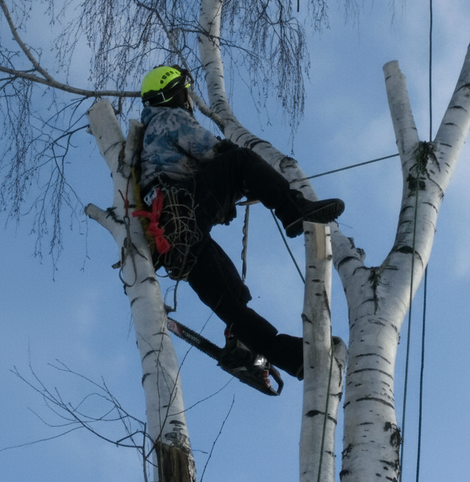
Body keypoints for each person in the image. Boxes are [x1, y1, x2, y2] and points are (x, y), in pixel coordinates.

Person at [137, 65, 344, 379]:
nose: (188, 99)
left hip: (175, 235)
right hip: (183, 209)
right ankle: (293, 210)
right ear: (175, 93)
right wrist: (242, 170)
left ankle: (289, 356)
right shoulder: (170, 118)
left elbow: (187, 173)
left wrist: (224, 198)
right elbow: (211, 150)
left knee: (233, 302)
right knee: (241, 160)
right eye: (185, 91)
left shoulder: (149, 137)